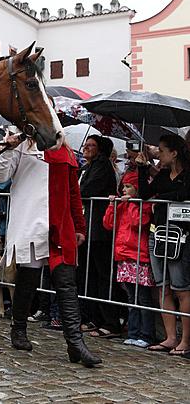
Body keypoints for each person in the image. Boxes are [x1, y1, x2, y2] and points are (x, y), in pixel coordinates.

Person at [0, 129, 101, 367]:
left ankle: (75, 343)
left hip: (60, 225)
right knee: (28, 280)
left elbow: (73, 191)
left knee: (66, 282)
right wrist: (8, 148)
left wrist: (79, 225)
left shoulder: (64, 149)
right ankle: (18, 328)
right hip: (32, 222)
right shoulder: (21, 145)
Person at [137, 134, 190, 356]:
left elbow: (183, 194)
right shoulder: (163, 175)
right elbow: (145, 194)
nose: (158, 153)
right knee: (162, 286)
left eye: (161, 150)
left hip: (181, 236)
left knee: (181, 288)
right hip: (158, 234)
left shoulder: (187, 174)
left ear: (174, 152)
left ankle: (186, 340)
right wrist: (142, 168)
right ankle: (170, 337)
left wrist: (164, 195)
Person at [102, 170, 155, 348]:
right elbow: (109, 224)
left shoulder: (143, 204)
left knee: (143, 298)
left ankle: (146, 334)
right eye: (123, 186)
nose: (124, 190)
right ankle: (133, 332)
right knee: (131, 298)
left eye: (128, 186)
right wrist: (113, 205)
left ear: (137, 189)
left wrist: (132, 204)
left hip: (139, 256)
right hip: (125, 255)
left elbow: (137, 223)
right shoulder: (122, 204)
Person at [78, 134, 121, 338]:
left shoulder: (102, 166)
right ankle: (94, 317)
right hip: (90, 228)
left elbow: (86, 190)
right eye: (86, 144)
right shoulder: (89, 166)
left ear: (100, 149)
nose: (86, 147)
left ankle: (110, 321)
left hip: (100, 230)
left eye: (91, 145)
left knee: (104, 276)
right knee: (91, 275)